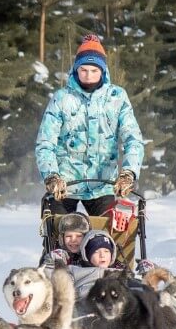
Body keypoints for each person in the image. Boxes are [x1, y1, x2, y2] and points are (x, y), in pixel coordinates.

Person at [36, 34, 146, 216]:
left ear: (103, 71)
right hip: (64, 185)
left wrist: (129, 173)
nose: (88, 76)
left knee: (110, 231)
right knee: (63, 228)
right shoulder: (62, 98)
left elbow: (133, 139)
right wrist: (51, 175)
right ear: (76, 69)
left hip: (102, 185)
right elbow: (45, 142)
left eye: (94, 70)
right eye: (84, 70)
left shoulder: (117, 97)